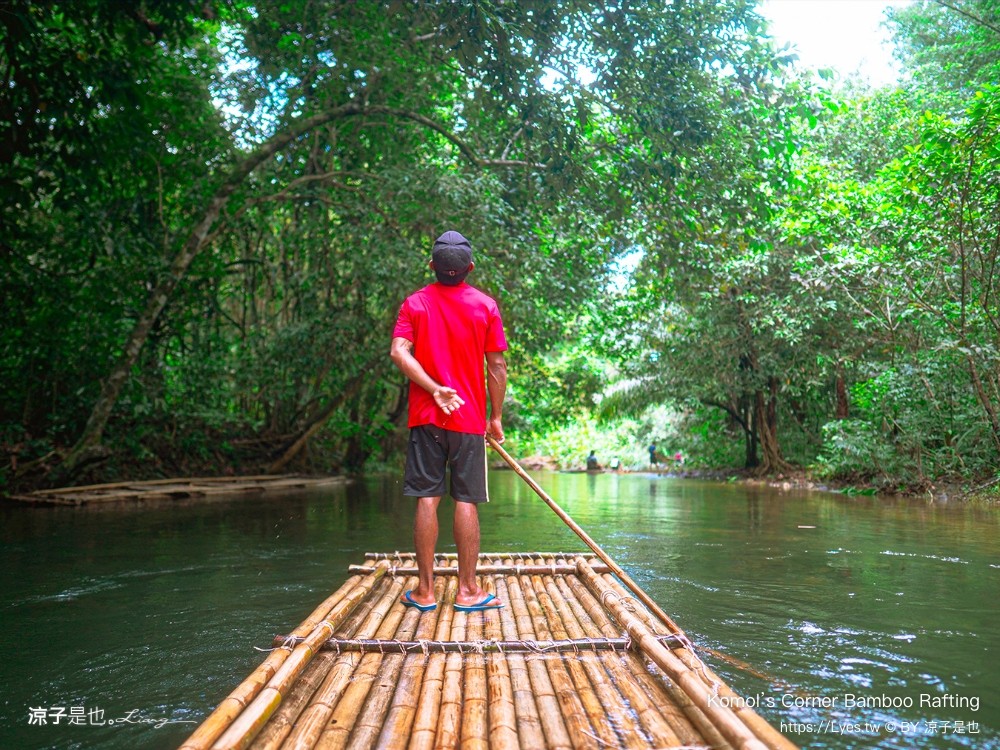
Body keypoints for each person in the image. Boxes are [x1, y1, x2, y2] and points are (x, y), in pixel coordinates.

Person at [390, 230, 508, 613]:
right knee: (467, 500)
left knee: (428, 498)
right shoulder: (485, 306)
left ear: (432, 267)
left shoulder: (415, 303)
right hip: (469, 418)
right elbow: (497, 366)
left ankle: (424, 592)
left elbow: (398, 352)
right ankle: (468, 590)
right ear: (469, 268)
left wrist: (433, 389)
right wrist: (495, 417)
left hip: (426, 418)